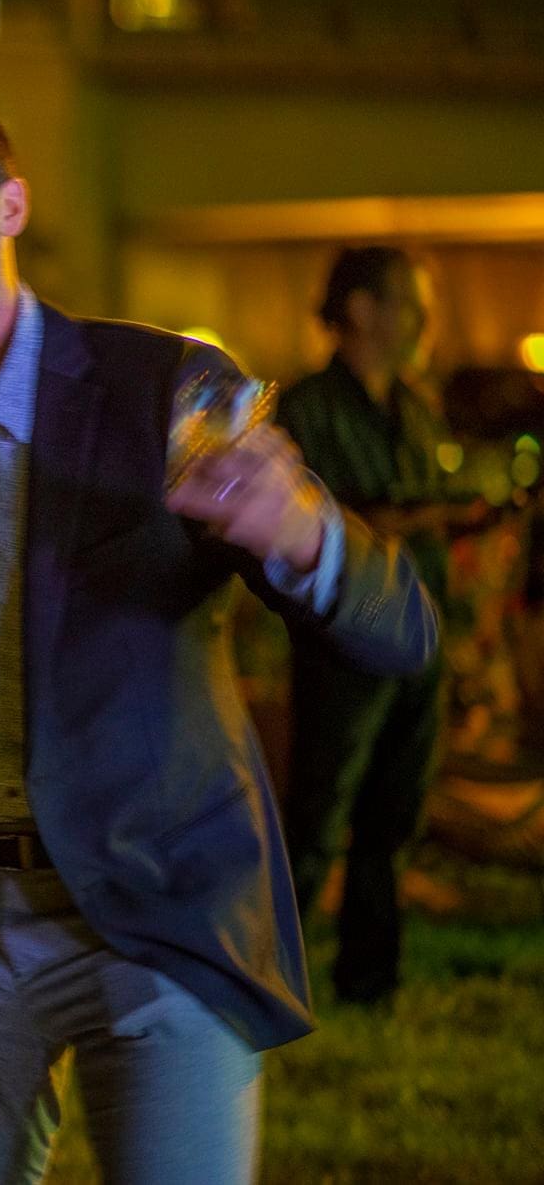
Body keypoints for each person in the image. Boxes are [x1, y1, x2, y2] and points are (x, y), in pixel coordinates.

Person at [0, 73, 438, 1183]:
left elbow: (401, 636)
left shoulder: (159, 388)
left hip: (152, 903)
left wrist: (302, 536)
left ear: (10, 207)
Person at [277, 247, 467, 1006]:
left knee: (393, 818)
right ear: (361, 310)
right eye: (410, 305)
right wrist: (422, 513)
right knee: (317, 822)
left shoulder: (413, 406)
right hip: (343, 649)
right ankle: (264, 985)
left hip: (418, 642)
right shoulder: (308, 408)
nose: (423, 324)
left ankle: (369, 982)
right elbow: (310, 522)